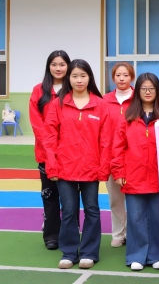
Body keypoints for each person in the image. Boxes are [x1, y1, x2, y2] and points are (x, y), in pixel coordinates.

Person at [43, 59, 110, 270]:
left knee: (92, 210)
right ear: (68, 79)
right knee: (69, 211)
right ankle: (69, 252)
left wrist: (103, 167)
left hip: (91, 168)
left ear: (89, 78)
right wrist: (52, 166)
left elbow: (106, 140)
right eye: (74, 76)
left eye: (83, 76)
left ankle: (89, 252)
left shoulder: (100, 105)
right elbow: (49, 138)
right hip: (65, 168)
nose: (79, 80)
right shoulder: (58, 104)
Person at [111, 73, 159, 271]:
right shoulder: (127, 117)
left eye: (151, 88)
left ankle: (156, 255)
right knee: (135, 217)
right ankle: (136, 255)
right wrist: (118, 172)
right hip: (133, 175)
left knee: (157, 217)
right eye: (144, 88)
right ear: (137, 91)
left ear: (157, 91)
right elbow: (118, 147)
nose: (148, 92)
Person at [29, 50, 71, 250]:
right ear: (49, 67)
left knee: (70, 197)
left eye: (62, 64)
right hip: (46, 153)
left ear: (68, 66)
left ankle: (70, 232)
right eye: (54, 64)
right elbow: (37, 124)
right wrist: (50, 146)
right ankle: (52, 234)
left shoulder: (74, 90)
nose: (58, 68)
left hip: (70, 154)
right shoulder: (39, 91)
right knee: (50, 195)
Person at [103, 62, 135, 248]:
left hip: (134, 157)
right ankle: (118, 233)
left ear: (132, 77)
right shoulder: (104, 101)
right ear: (113, 77)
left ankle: (133, 233)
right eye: (118, 75)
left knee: (135, 199)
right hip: (111, 157)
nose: (122, 79)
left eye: (126, 75)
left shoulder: (138, 99)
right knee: (115, 199)